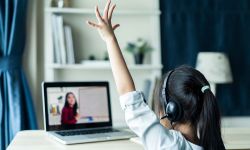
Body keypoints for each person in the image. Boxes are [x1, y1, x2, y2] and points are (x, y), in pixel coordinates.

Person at [86, 0, 226, 149]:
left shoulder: (170, 144)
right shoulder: (212, 144)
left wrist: (109, 39)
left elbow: (129, 96)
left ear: (171, 110)